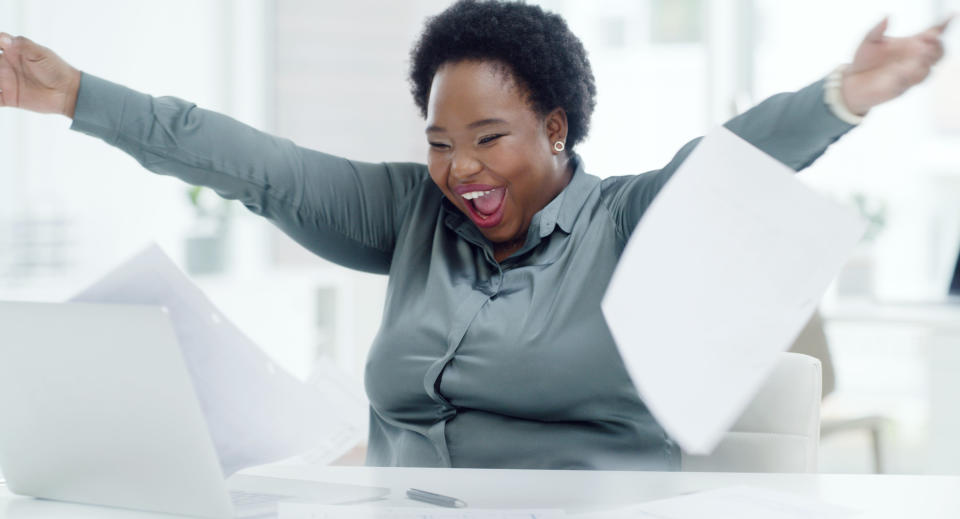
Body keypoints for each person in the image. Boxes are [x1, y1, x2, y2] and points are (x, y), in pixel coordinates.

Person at [0, 1, 949, 470]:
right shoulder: (411, 210)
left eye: (490, 139)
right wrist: (78, 95)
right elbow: (251, 162)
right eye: (442, 144)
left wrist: (844, 95)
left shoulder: (632, 220)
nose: (462, 171)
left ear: (557, 129)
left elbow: (743, 156)